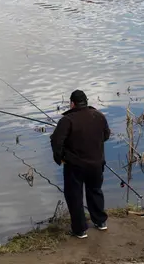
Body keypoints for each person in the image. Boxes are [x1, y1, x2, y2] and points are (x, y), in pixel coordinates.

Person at [50, 90, 110, 239]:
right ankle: (101, 222)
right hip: (96, 164)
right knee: (95, 191)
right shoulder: (99, 116)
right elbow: (106, 135)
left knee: (74, 196)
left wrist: (60, 158)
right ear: (86, 101)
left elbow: (56, 141)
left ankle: (79, 230)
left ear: (72, 103)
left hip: (75, 166)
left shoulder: (67, 120)